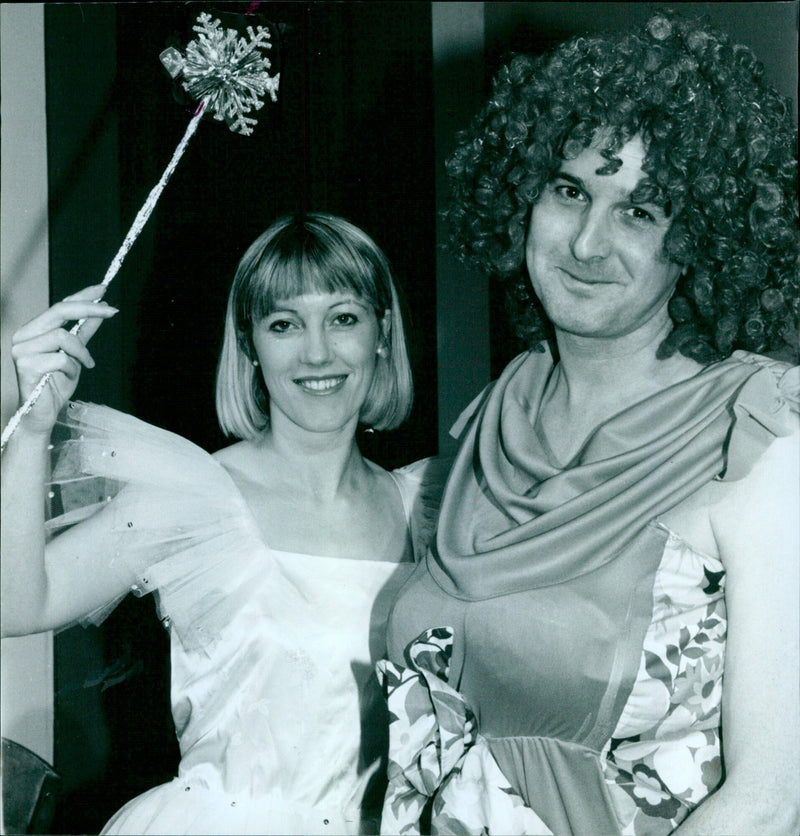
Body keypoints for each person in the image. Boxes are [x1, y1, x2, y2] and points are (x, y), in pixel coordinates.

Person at [378, 11, 799, 836]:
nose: (587, 243)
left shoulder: (762, 444)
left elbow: (769, 801)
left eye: (639, 213)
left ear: (701, 240)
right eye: (568, 191)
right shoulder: (496, 416)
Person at [1, 213, 445, 835]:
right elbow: (18, 604)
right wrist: (33, 428)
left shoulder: (431, 506)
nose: (317, 351)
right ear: (250, 346)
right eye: (284, 324)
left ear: (382, 332)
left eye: (343, 317)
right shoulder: (198, 498)